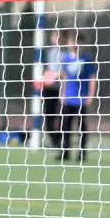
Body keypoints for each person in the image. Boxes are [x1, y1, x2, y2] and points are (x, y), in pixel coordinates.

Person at [57, 32, 97, 163]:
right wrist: (62, 93)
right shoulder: (66, 59)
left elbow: (92, 78)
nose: (72, 44)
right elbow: (64, 77)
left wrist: (91, 95)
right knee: (65, 127)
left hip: (81, 99)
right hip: (68, 98)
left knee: (82, 127)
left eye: (74, 41)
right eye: (70, 41)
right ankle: (64, 152)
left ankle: (82, 153)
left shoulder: (86, 60)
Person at [40, 28, 62, 148]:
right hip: (48, 88)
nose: (55, 39)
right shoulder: (47, 52)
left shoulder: (64, 53)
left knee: (60, 115)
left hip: (61, 88)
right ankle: (54, 140)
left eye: (57, 36)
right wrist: (44, 77)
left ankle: (61, 140)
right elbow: (42, 68)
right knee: (48, 115)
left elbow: (64, 70)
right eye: (54, 36)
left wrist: (56, 75)